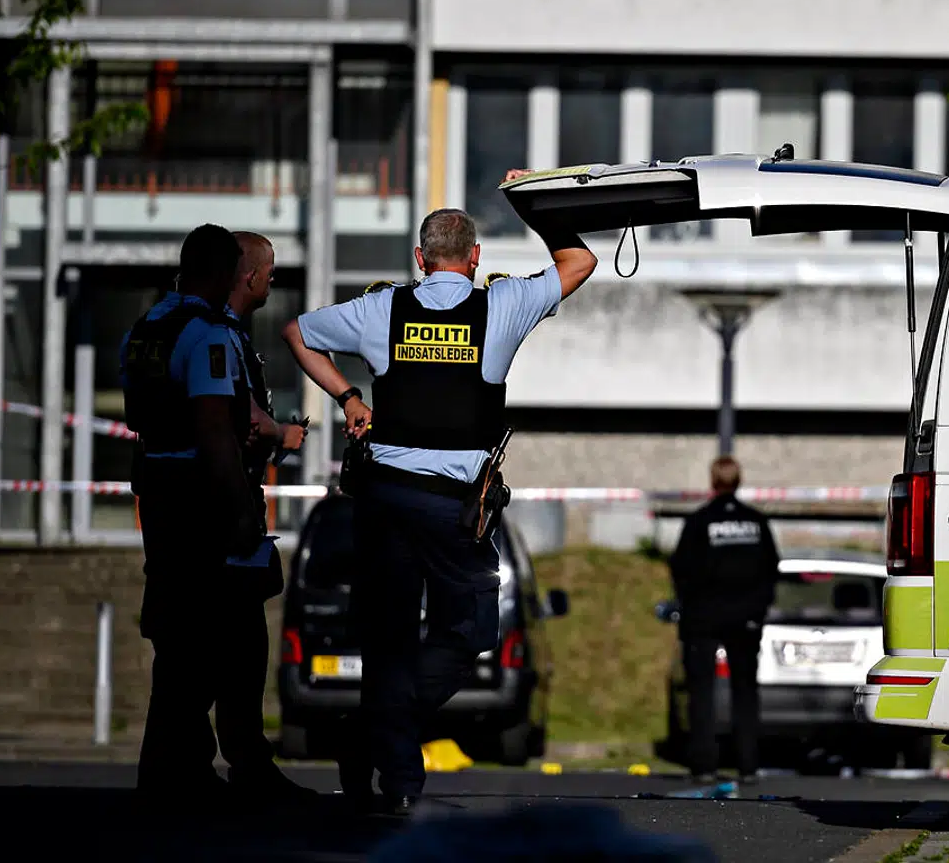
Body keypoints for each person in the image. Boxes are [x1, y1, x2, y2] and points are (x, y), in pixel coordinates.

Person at [281, 192, 596, 814]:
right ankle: (392, 768)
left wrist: (349, 398)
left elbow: (297, 332)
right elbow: (579, 262)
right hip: (454, 510)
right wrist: (535, 204)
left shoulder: (382, 309)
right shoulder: (501, 305)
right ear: (475, 257)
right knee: (473, 629)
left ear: (420, 258)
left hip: (385, 501)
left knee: (389, 643)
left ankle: (378, 748)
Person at [121, 224, 263, 804]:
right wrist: (240, 510)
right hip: (195, 495)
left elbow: (137, 413)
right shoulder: (207, 334)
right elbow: (213, 430)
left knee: (175, 633)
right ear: (224, 273)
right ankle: (179, 773)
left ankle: (170, 769)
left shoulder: (147, 327)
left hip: (157, 486)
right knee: (199, 639)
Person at [215, 231, 316, 805]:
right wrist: (284, 434)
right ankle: (245, 766)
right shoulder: (218, 335)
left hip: (206, 509)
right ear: (248, 276)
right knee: (239, 647)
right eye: (270, 273)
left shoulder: (190, 329)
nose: (273, 283)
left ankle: (200, 765)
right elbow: (240, 421)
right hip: (221, 514)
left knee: (221, 646)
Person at [668, 456, 780, 785]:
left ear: (712, 481)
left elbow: (680, 568)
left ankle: (704, 764)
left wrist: (690, 606)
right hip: (746, 619)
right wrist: (758, 609)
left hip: (703, 619)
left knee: (701, 692)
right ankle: (748, 765)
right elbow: (771, 568)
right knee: (745, 691)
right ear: (739, 480)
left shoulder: (699, 522)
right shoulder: (756, 522)